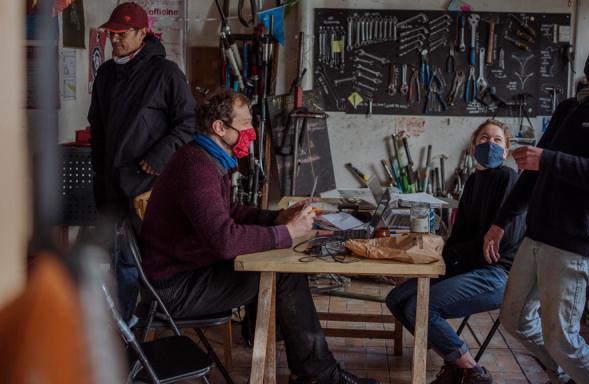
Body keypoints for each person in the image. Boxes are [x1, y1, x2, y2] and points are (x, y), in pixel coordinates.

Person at [140, 88, 379, 384]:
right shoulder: (197, 167)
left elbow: (226, 211)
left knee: (279, 265)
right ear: (220, 128)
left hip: (190, 270)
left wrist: (275, 219)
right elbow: (224, 241)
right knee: (283, 273)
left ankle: (307, 368)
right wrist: (287, 232)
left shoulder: (208, 157)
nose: (252, 131)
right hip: (175, 289)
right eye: (245, 124)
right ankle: (320, 376)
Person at [482, 41, 589, 384]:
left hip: (575, 241)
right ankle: (567, 377)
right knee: (514, 320)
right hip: (538, 233)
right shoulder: (570, 106)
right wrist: (501, 221)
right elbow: (534, 169)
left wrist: (548, 159)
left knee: (563, 340)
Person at [386, 120, 527, 384]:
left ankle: (474, 372)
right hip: (468, 266)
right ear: (473, 148)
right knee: (396, 299)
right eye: (484, 138)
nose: (490, 144)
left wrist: (450, 257)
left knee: (419, 307)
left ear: (506, 152)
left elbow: (500, 246)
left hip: (497, 274)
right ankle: (455, 362)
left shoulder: (508, 178)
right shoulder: (473, 181)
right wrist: (439, 258)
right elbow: (460, 234)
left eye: (498, 140)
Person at [88, 2, 196, 319]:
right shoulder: (107, 73)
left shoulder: (166, 73)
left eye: (122, 34)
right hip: (113, 184)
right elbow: (97, 126)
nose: (115, 40)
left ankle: (138, 322)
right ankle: (127, 324)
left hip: (149, 185)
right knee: (119, 257)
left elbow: (188, 123)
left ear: (142, 33)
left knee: (137, 258)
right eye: (111, 34)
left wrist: (160, 156)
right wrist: (99, 170)